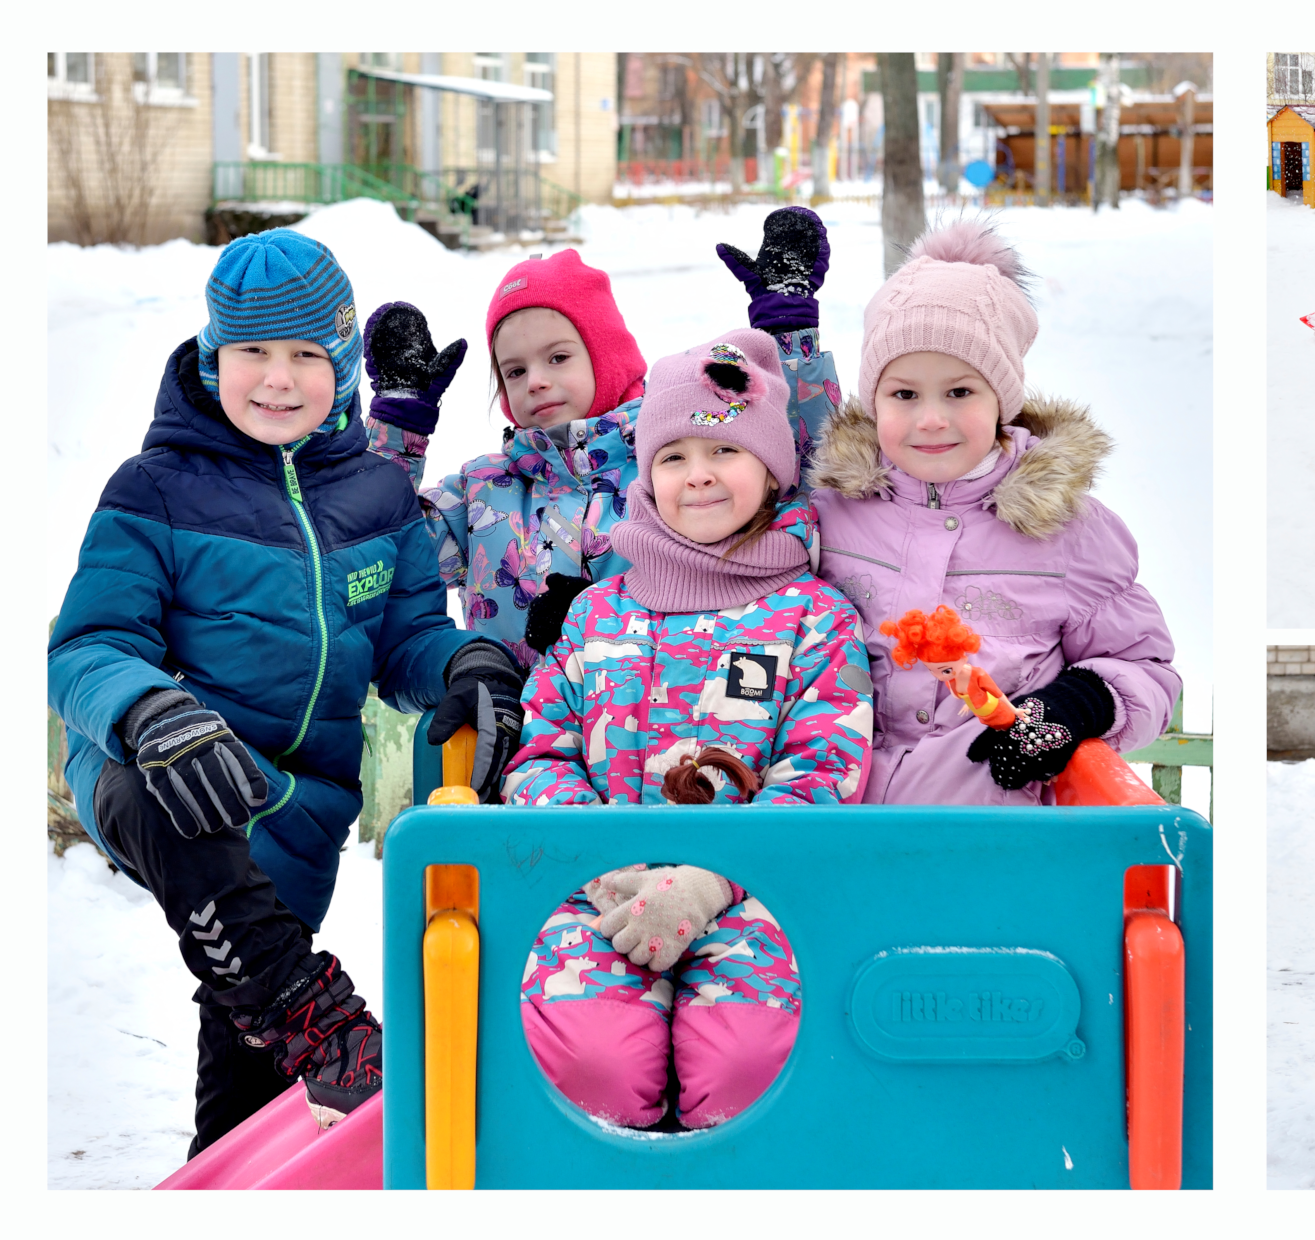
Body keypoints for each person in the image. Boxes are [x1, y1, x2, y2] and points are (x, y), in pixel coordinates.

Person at [48, 231, 519, 1154]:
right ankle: (318, 1010)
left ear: (341, 361)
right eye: (251, 350)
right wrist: (149, 710)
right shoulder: (156, 489)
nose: (277, 378)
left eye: (306, 353)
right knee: (270, 976)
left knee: (250, 1080)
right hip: (166, 778)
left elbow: (407, 641)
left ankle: (239, 1149)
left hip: (297, 822)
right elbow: (89, 645)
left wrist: (465, 662)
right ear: (212, 357)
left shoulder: (377, 496)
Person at [502, 328, 873, 1129]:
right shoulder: (596, 614)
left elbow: (822, 771)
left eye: (724, 452)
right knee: (593, 1062)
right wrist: (602, 865)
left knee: (747, 1064)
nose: (697, 474)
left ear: (770, 469)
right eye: (672, 457)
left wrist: (712, 880)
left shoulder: (815, 618)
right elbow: (541, 754)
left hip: (759, 893)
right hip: (601, 895)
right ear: (647, 477)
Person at [362, 207, 842, 673]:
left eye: (558, 358)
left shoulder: (670, 467)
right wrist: (399, 428)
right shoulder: (479, 491)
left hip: (648, 712)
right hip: (514, 719)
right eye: (515, 370)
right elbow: (381, 552)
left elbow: (793, 470)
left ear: (605, 356)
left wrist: (787, 330)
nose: (536, 381)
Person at [808, 221, 1179, 804]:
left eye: (960, 392)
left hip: (993, 827)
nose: (932, 419)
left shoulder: (1067, 529)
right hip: (835, 820)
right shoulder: (829, 516)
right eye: (904, 394)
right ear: (873, 401)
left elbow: (1145, 668)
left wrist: (1076, 704)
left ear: (1002, 400)